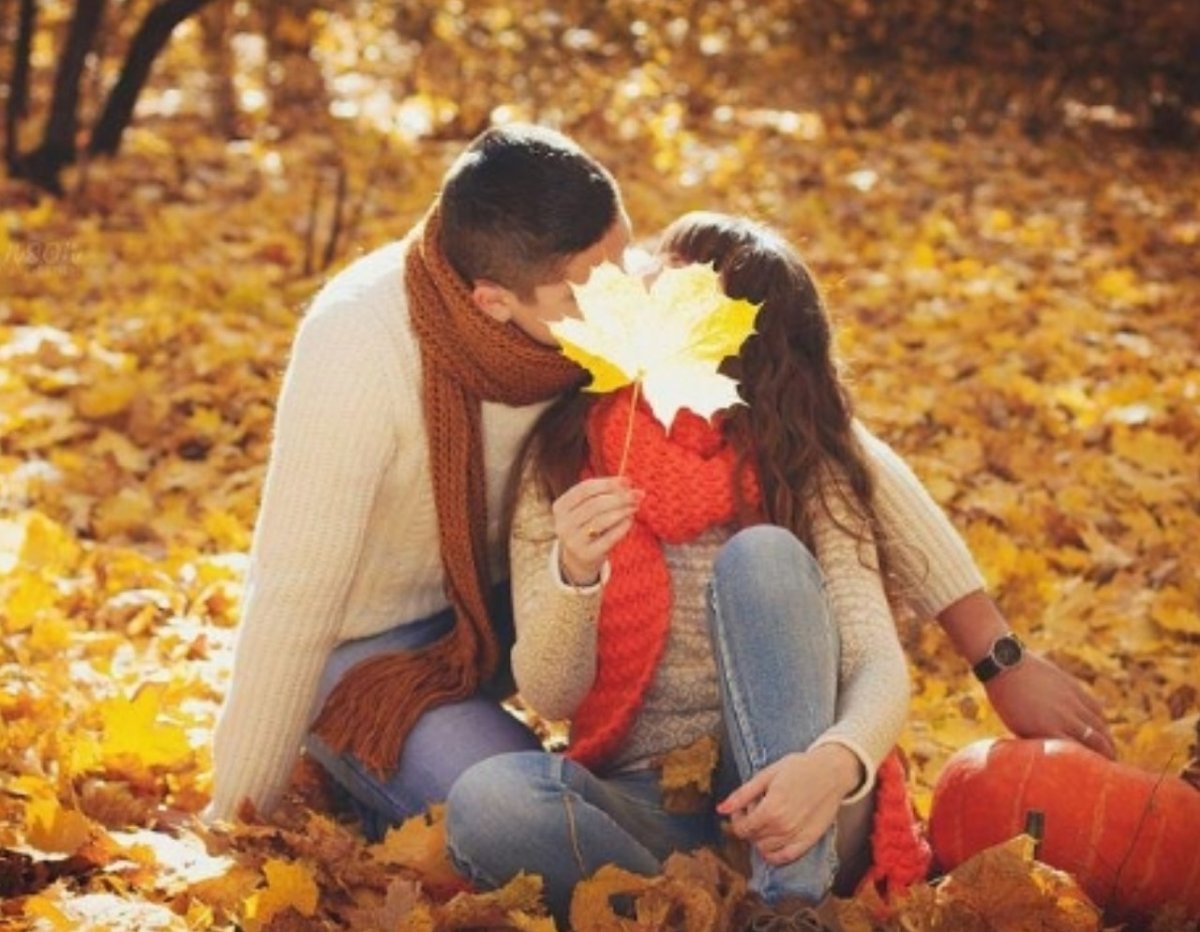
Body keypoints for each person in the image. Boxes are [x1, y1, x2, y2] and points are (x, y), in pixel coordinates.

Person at [206, 124, 1112, 838]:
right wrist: (229, 815)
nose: (628, 299)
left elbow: (827, 442)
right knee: (500, 805)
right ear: (496, 301)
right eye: (593, 288)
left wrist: (998, 655)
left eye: (628, 259)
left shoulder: (582, 276)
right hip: (385, 652)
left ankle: (737, 849)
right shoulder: (357, 348)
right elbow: (293, 595)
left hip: (518, 621)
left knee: (579, 788)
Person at [446, 213, 934, 927]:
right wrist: (575, 573)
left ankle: (790, 903)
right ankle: (708, 913)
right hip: (653, 806)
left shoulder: (801, 464)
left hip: (806, 794)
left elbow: (877, 663)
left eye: (674, 275)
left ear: (741, 336)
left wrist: (833, 766)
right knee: (488, 801)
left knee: (763, 557)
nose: (642, 276)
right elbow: (550, 694)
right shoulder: (565, 455)